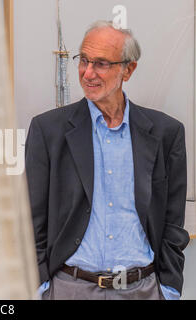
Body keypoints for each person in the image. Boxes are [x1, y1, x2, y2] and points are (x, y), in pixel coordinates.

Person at [25, 20, 190, 300]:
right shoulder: (48, 130)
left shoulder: (166, 133)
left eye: (101, 63)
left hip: (144, 289)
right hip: (69, 288)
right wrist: (41, 287)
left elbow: (173, 222)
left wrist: (169, 289)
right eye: (84, 60)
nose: (88, 73)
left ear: (128, 69)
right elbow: (32, 219)